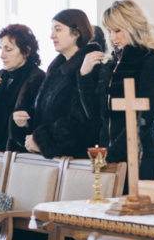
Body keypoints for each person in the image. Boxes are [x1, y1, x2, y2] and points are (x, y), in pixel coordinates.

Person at [79, 0, 154, 179]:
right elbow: (95, 114)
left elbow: (143, 118)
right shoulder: (111, 64)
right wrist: (85, 75)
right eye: (110, 31)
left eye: (117, 31)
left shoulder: (150, 61)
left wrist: (111, 155)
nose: (112, 38)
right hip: (108, 156)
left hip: (139, 156)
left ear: (133, 27)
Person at [15, 9, 98, 159]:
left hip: (75, 159)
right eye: (52, 29)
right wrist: (25, 121)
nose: (52, 35)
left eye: (58, 29)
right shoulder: (56, 69)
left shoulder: (91, 66)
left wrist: (42, 141)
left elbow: (81, 121)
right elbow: (46, 113)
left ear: (76, 33)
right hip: (52, 158)